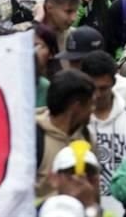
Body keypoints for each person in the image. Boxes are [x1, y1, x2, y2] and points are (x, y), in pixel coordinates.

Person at [80, 50, 126, 199]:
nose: (97, 94)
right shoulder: (75, 120)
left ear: (114, 83)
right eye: (93, 88)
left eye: (103, 88)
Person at [35, 69, 96, 198]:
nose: (93, 110)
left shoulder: (86, 137)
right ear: (76, 106)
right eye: (91, 104)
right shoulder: (34, 140)